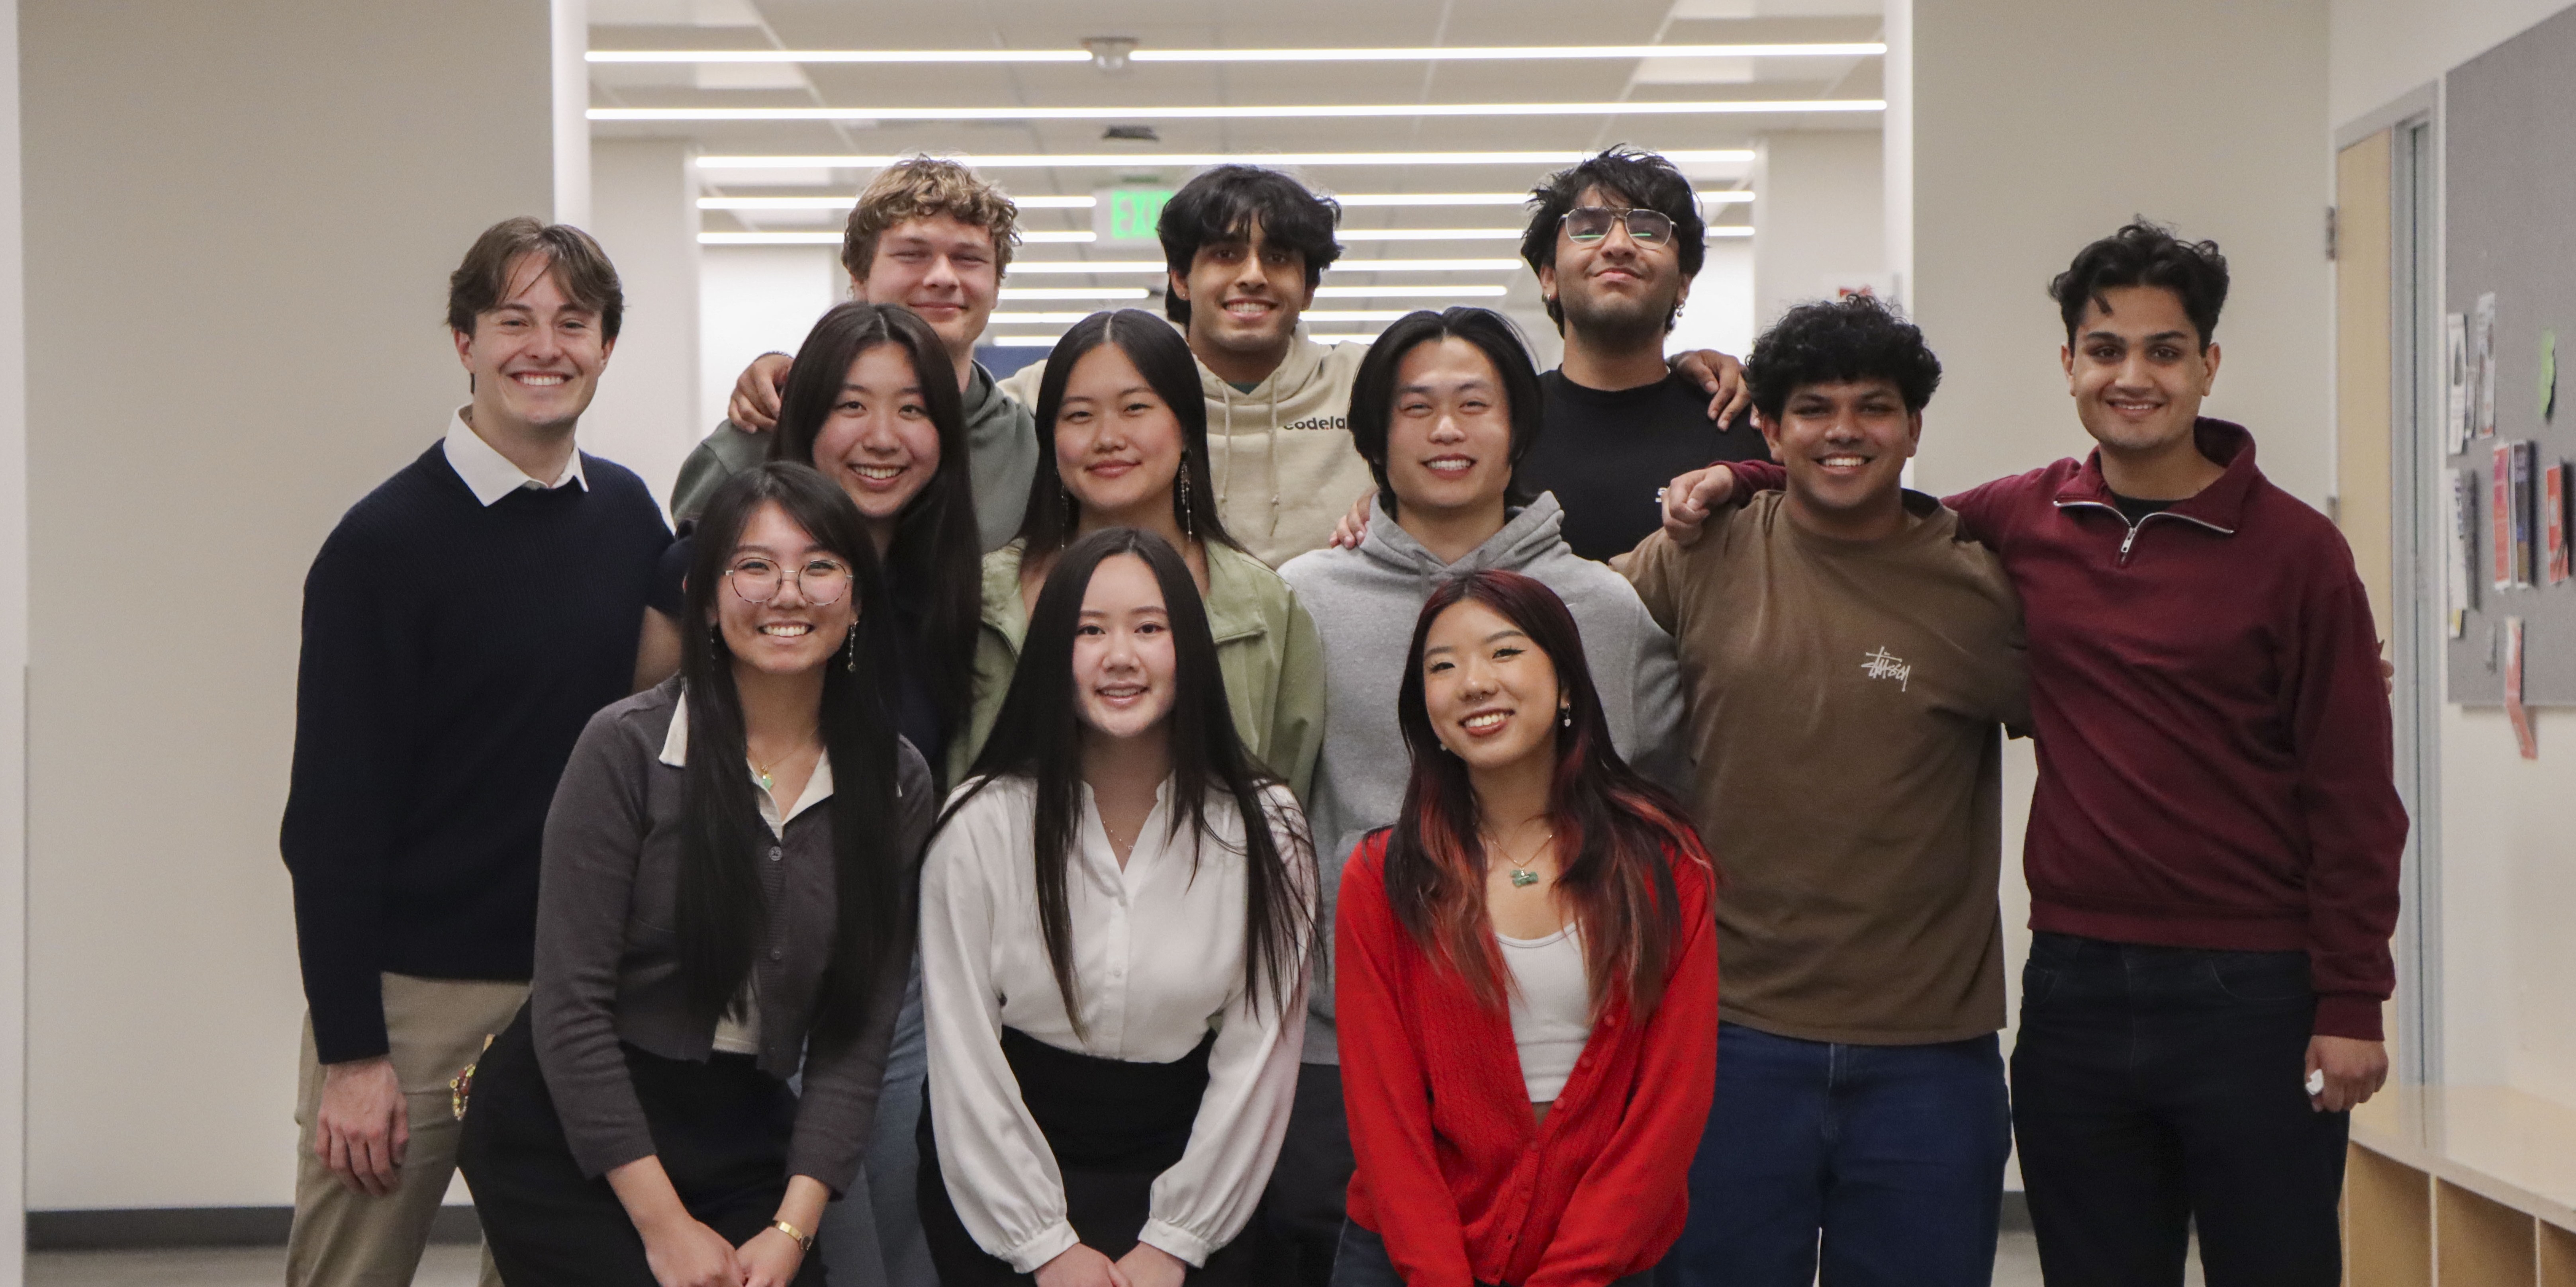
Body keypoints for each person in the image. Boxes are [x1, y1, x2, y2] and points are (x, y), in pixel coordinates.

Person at [1661, 224, 2406, 1286]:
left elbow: (2352, 798)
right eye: (2105, 350)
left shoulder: (2297, 554)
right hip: (2075, 987)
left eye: (2162, 350)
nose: (2132, 376)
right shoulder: (2020, 517)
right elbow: (1870, 514)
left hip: (2255, 992)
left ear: (2207, 365)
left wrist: (2350, 1002)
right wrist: (1743, 475)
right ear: (2068, 366)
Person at [277, 217, 670, 1287]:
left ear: (604, 348)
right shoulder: (382, 547)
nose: (544, 347)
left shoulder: (631, 517)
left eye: (573, 324)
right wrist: (356, 1053)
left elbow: (719, 648)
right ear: (464, 342)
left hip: (572, 991)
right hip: (410, 1000)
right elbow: (330, 819)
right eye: (514, 321)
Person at [1269, 307, 1686, 1287]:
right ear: (1374, 435)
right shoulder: (1304, 598)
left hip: (1568, 1050)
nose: (1446, 430)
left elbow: (1652, 792)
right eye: (1416, 408)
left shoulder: (1600, 608)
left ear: (1518, 430)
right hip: (1348, 1055)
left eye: (1473, 405)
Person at [1624, 295, 2028, 1287]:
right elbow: (1541, 630)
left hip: (1928, 1055)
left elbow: (2131, 700)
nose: (1843, 430)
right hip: (1730, 1039)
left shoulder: (1978, 583)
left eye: (1872, 406)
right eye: (1811, 407)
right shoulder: (1700, 550)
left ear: (1912, 426)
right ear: (1767, 423)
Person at [458, 464, 930, 1287]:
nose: (787, 591)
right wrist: (666, 1227)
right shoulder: (627, 748)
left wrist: (791, 1227)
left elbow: (856, 1036)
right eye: (753, 566)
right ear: (707, 598)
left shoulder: (895, 780)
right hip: (573, 1130)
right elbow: (570, 1010)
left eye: (820, 566)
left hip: (739, 1123)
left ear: (856, 599)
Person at [645, 301, 982, 1287]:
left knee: (888, 1218)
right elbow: (644, 751)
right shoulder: (706, 567)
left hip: (892, 974)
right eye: (850, 405)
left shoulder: (946, 584)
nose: (882, 437)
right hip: (738, 963)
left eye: (913, 408)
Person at [917, 526, 1318, 1287]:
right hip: (1003, 1182)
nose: (1120, 656)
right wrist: (1043, 1245)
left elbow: (1257, 1059)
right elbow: (963, 1059)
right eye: (1089, 631)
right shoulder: (980, 821)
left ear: (1190, 647)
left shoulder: (1266, 828)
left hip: (1199, 1173)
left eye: (1149, 628)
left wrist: (1177, 1238)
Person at [1331, 570, 1718, 1287]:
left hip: (1609, 1258)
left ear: (1566, 683)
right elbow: (1386, 1123)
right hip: (1410, 1261)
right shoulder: (1382, 876)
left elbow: (1670, 1104)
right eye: (1441, 666)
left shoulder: (1664, 863)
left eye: (1504, 653)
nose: (1473, 682)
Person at [959, 310, 1326, 799]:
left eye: (1135, 408)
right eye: (1079, 415)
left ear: (1187, 428)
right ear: (1050, 439)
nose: (1108, 438)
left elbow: (1288, 793)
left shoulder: (1265, 607)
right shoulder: (983, 598)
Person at [686, 156, 1035, 551]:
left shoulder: (1029, 450)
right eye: (912, 255)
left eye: (967, 259)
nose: (942, 277)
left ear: (996, 286)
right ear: (858, 275)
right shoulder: (768, 427)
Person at [1506, 147, 1769, 561]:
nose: (1618, 245)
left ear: (1683, 282)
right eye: (1588, 227)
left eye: (1648, 230)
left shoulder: (1740, 422)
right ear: (1548, 276)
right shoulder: (1502, 425)